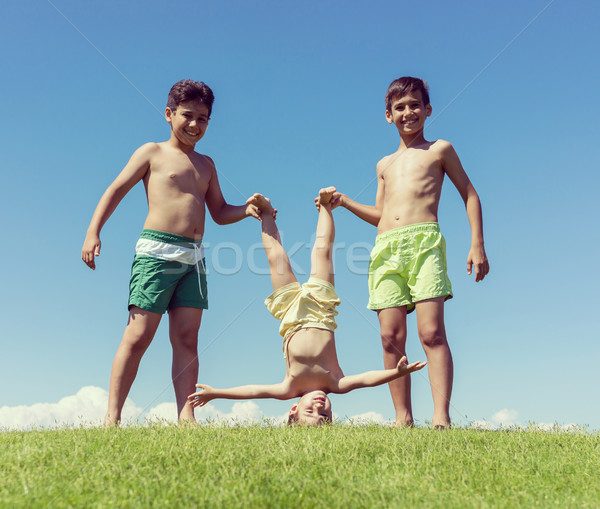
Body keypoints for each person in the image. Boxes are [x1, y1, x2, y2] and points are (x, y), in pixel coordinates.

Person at [82, 79, 263, 426]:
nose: (195, 125)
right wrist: (93, 232)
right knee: (137, 336)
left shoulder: (207, 165)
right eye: (188, 116)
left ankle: (186, 417)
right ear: (169, 114)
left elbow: (221, 212)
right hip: (156, 252)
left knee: (186, 338)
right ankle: (112, 417)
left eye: (203, 119)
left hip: (193, 257)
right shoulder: (152, 152)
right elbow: (115, 190)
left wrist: (248, 209)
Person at [187, 189, 427, 425]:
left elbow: (253, 391)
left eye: (310, 413)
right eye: (326, 416)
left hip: (290, 314)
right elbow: (365, 380)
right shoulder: (335, 383)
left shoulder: (288, 388)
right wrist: (396, 373)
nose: (320, 408)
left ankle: (267, 214)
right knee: (323, 252)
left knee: (275, 259)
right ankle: (325, 206)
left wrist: (216, 393)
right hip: (321, 310)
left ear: (293, 409)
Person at [329, 77, 489, 428]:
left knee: (431, 332)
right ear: (388, 115)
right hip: (386, 248)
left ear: (428, 109)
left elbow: (470, 194)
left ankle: (441, 416)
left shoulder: (439, 150)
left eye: (415, 105)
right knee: (390, 337)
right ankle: (403, 418)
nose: (408, 112)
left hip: (424, 243)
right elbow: (381, 215)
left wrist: (477, 242)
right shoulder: (383, 164)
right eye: (399, 107)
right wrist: (344, 202)